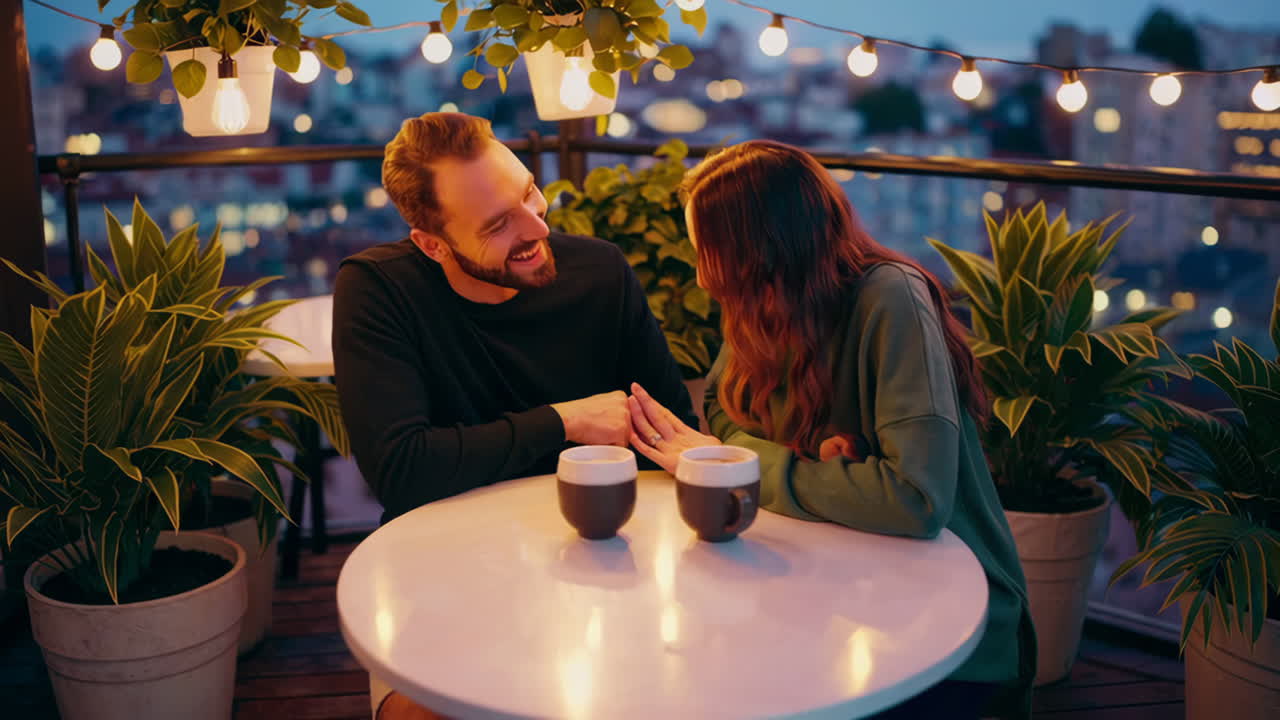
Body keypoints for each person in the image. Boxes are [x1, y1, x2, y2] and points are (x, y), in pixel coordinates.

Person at [627, 140, 1036, 719]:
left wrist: (733, 467)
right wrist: (816, 457)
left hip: (949, 632)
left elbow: (916, 501)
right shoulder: (762, 307)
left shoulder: (890, 298)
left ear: (761, 252)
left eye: (708, 254)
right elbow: (721, 412)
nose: (701, 274)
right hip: (833, 593)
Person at [332, 112, 696, 718]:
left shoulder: (601, 271)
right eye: (499, 224)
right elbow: (401, 469)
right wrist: (564, 423)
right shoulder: (379, 290)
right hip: (445, 575)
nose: (536, 226)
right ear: (432, 243)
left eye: (528, 191)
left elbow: (670, 434)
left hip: (602, 565)